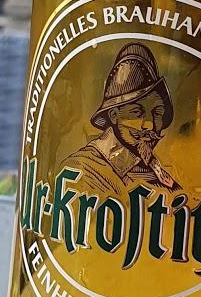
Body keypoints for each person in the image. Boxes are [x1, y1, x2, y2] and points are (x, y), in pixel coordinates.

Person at [60, 41, 182, 198]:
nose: (149, 125)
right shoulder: (84, 169)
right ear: (113, 115)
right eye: (137, 112)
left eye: (157, 113)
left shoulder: (157, 174)